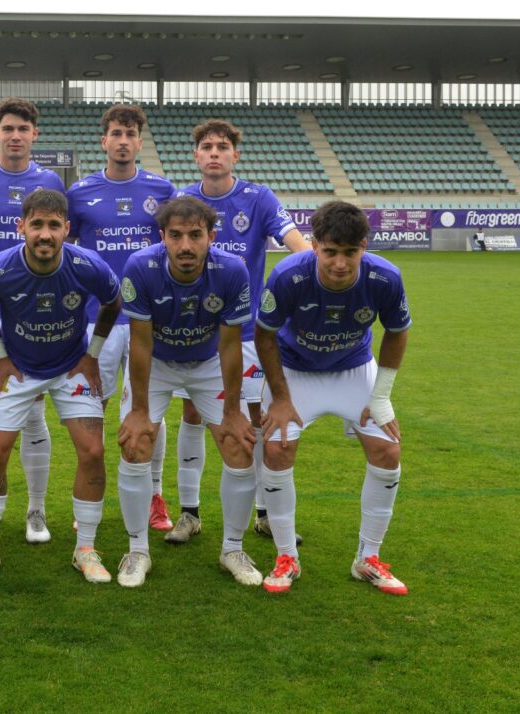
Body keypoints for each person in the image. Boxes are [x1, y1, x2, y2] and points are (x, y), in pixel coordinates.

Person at [255, 201, 411, 595]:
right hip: (295, 372)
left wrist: (382, 396)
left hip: (353, 369)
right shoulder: (289, 275)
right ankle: (286, 556)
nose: (340, 263)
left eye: (350, 252)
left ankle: (368, 558)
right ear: (314, 245)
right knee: (277, 450)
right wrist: (281, 397)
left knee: (388, 452)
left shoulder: (385, 277)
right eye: (330, 252)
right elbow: (265, 335)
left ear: (364, 246)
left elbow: (397, 332)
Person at [166, 119, 310, 547]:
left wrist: (309, 268)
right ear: (196, 156)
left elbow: (293, 241)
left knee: (254, 418)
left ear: (235, 155)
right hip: (195, 333)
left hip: (246, 333)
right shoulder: (183, 200)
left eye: (222, 146)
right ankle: (189, 513)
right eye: (206, 146)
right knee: (192, 414)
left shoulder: (258, 197)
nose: (214, 153)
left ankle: (265, 513)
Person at [0, 189, 121, 584]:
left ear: (67, 229)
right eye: (37, 224)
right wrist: (0, 355)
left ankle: (85, 548)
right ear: (21, 227)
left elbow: (113, 302)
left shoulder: (88, 265)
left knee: (92, 450)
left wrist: (93, 353)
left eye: (54, 225)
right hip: (20, 369)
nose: (46, 234)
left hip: (71, 367)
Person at [116, 197, 256, 588]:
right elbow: (140, 344)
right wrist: (140, 411)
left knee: (239, 445)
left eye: (196, 235)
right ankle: (137, 549)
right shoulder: (140, 268)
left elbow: (230, 346)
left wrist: (232, 411)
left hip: (209, 363)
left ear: (212, 236)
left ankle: (232, 548)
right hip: (156, 363)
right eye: (175, 236)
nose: (186, 246)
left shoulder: (232, 271)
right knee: (136, 442)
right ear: (162, 237)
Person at [0, 98, 65, 543]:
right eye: (8, 128)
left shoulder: (50, 180)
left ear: (34, 134)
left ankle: (36, 512)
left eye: (23, 128)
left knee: (35, 414)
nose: (15, 135)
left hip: (34, 312)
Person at [66, 103, 175, 531]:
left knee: (149, 408)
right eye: (116, 133)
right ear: (104, 141)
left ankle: (155, 495)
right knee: (94, 404)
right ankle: (92, 492)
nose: (124, 141)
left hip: (148, 319)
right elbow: (66, 250)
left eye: (131, 133)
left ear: (140, 141)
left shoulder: (163, 191)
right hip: (97, 320)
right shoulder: (80, 192)